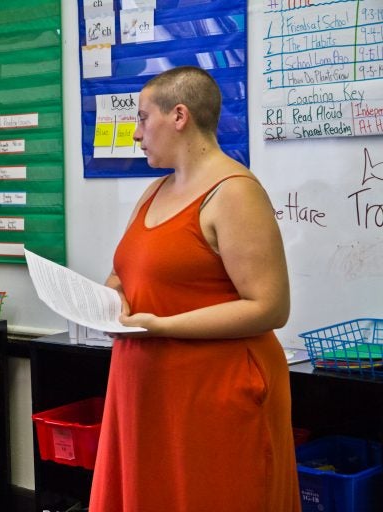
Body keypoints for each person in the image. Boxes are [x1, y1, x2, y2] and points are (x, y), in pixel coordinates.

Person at [89, 66, 301, 511]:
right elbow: (123, 274)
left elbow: (269, 306)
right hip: (144, 392)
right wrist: (112, 301)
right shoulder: (153, 191)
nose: (134, 134)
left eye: (143, 118)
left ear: (179, 115)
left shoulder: (235, 192)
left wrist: (162, 325)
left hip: (212, 393)